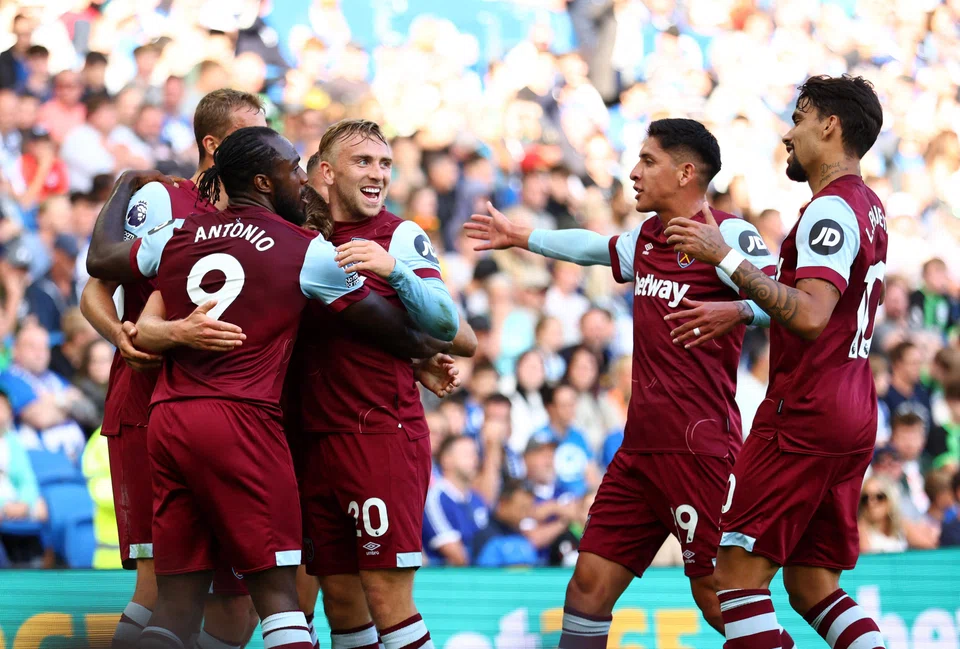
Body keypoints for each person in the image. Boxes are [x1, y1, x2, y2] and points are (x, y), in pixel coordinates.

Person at [84, 126, 447, 649]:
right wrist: (418, 350)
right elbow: (400, 327)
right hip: (243, 424)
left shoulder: (179, 232)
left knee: (174, 604)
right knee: (278, 600)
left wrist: (124, 186)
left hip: (169, 419)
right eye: (292, 169)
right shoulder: (306, 249)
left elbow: (103, 263)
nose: (301, 181)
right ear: (262, 180)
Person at [466, 117, 777, 645]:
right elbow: (593, 247)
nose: (633, 172)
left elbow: (782, 300)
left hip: (697, 449)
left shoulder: (729, 233)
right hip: (638, 453)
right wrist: (521, 236)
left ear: (684, 173)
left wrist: (739, 309)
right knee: (587, 587)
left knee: (715, 594)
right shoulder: (650, 237)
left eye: (647, 161)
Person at [665, 75, 887, 649]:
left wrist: (726, 257)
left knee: (734, 578)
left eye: (799, 117)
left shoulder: (829, 210)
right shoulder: (870, 207)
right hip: (853, 404)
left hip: (807, 410)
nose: (788, 134)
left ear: (829, 126)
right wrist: (743, 309)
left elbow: (811, 314)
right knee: (812, 584)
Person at [81, 88, 269, 649]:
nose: (261, 144)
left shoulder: (263, 209)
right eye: (247, 133)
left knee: (238, 607)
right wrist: (119, 334)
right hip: (147, 402)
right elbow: (98, 286)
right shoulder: (165, 201)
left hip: (227, 414)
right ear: (212, 144)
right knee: (160, 585)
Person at [296, 119, 474, 649]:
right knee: (342, 599)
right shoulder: (301, 236)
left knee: (385, 594)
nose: (378, 174)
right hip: (310, 436)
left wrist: (396, 271)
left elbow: (450, 327)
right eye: (364, 162)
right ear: (326, 172)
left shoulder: (398, 234)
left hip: (378, 433)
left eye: (385, 164)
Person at [422, 435, 489, 566]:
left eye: (475, 453)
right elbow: (457, 556)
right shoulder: (435, 498)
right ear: (446, 460)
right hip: (448, 582)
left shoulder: (476, 499)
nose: (474, 459)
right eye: (466, 454)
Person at [857, 476, 907, 554]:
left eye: (879, 497)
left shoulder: (900, 525)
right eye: (865, 498)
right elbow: (866, 558)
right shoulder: (860, 530)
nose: (871, 503)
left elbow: (928, 542)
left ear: (890, 499)